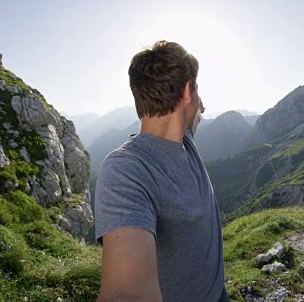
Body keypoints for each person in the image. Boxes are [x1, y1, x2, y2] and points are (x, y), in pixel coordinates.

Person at [95, 41, 228, 302]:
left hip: (219, 294)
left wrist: (197, 107)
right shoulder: (125, 169)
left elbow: (195, 114)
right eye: (196, 89)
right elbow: (126, 294)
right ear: (188, 90)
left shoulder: (185, 139)